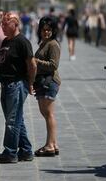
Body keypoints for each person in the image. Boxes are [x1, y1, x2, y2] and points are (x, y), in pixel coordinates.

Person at [0, 12, 37, 163]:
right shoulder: (6, 41)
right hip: (5, 85)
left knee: (12, 121)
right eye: (2, 23)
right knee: (17, 119)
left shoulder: (22, 42)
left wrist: (30, 83)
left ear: (15, 24)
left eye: (6, 23)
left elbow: (32, 65)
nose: (2, 26)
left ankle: (10, 153)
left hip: (16, 85)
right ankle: (26, 150)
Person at [33, 16, 61, 157]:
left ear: (53, 31)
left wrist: (36, 61)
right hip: (42, 82)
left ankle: (50, 145)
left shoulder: (53, 44)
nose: (46, 32)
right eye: (44, 30)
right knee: (46, 113)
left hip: (49, 82)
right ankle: (53, 143)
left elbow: (54, 65)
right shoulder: (43, 43)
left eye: (49, 30)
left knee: (48, 114)